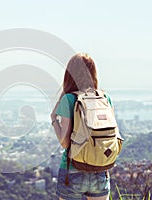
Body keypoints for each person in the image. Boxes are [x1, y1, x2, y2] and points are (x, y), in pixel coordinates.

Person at [51, 53, 112, 200]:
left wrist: (54, 119)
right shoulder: (104, 98)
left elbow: (65, 142)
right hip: (100, 169)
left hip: (73, 170)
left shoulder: (69, 99)